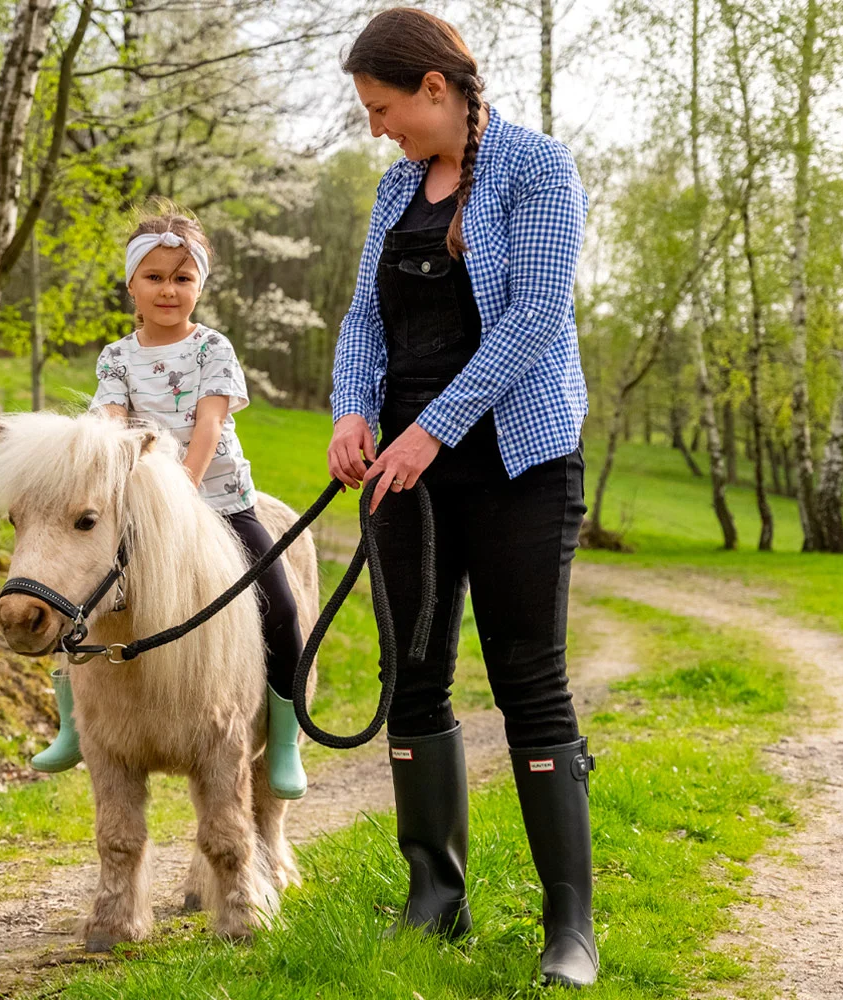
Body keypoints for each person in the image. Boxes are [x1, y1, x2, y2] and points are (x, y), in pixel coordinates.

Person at [329, 8, 596, 988]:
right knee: (412, 672)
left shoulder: (536, 169)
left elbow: (533, 316)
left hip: (517, 466)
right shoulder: (397, 188)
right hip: (401, 471)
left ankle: (569, 927)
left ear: (434, 88)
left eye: (383, 107)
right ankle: (433, 900)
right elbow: (364, 314)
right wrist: (353, 412)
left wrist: (432, 427)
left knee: (528, 677)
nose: (376, 128)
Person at [29, 200, 310, 800]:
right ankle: (74, 724)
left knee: (281, 608)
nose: (168, 290)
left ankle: (283, 739)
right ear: (131, 284)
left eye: (182, 279)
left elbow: (208, 426)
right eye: (154, 277)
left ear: (199, 287)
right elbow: (108, 418)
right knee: (80, 599)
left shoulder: (212, 349)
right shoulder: (116, 357)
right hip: (141, 518)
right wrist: (94, 446)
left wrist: (182, 486)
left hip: (219, 503)